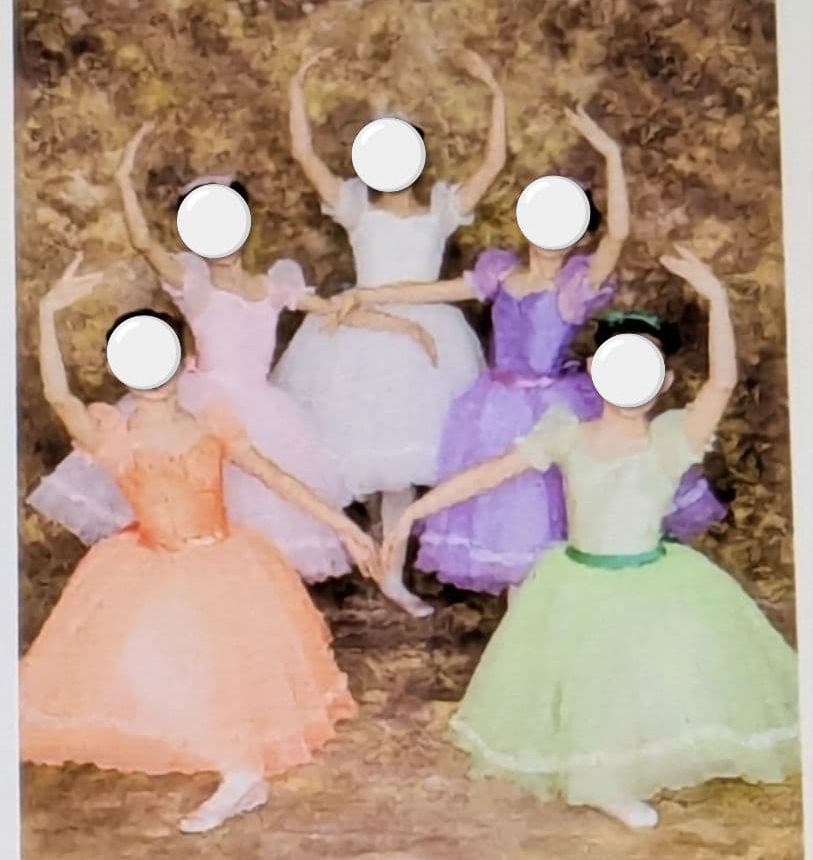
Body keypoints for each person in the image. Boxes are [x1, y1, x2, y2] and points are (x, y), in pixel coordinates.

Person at [382, 248, 798, 829]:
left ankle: (639, 759)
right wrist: (413, 512)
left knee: (651, 676)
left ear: (663, 382)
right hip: (579, 578)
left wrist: (716, 296)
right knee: (597, 685)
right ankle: (603, 781)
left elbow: (723, 381)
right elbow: (488, 473)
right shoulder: (566, 434)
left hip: (652, 578)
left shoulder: (671, 438)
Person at [21, 258, 380, 833]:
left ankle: (241, 774)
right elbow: (58, 395)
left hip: (223, 563)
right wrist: (46, 311)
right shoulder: (113, 435)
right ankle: (227, 760)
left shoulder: (214, 422)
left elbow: (277, 478)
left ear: (186, 362)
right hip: (149, 563)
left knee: (225, 668)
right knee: (149, 665)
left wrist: (346, 527)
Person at [27, 125, 434, 601]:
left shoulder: (272, 285)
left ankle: (248, 598)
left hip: (263, 408)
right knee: (204, 500)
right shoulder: (196, 287)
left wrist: (402, 325)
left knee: (266, 502)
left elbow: (334, 311)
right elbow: (145, 243)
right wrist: (123, 179)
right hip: (205, 400)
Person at [339, 107, 726, 597]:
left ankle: (560, 604)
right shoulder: (501, 273)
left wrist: (610, 153)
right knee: (505, 508)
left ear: (579, 235)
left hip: (552, 403)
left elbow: (619, 234)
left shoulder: (574, 285)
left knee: (555, 513)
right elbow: (431, 290)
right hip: (495, 404)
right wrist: (366, 295)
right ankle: (521, 615)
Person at [275, 48, 506, 616]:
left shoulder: (440, 212)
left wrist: (493, 90)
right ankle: (372, 562)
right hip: (360, 332)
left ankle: (395, 572)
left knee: (406, 465)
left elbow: (494, 162)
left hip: (431, 338)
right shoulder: (356, 209)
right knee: (363, 459)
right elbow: (303, 153)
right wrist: (298, 85)